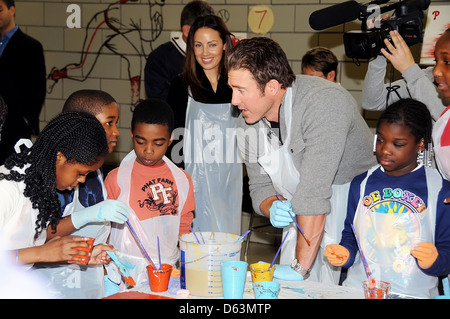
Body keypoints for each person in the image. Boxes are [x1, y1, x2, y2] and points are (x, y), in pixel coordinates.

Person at [227, 37, 376, 284]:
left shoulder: (323, 102)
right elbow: (259, 187)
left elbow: (314, 193)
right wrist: (271, 205)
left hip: (350, 206)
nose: (233, 100)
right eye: (232, 89)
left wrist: (299, 269)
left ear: (272, 87)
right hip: (301, 209)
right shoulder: (246, 121)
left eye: (241, 90)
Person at [325, 99, 450, 298]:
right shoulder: (362, 183)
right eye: (381, 140)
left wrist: (436, 260)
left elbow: (447, 248)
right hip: (360, 290)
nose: (385, 150)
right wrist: (345, 254)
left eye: (398, 144)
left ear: (420, 144)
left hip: (414, 294)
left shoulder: (440, 189)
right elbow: (351, 235)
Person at [0, 112, 128, 274]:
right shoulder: (6, 189)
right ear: (59, 156)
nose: (82, 181)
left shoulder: (38, 185)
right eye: (81, 173)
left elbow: (29, 243)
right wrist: (41, 253)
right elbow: (34, 253)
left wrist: (76, 254)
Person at [32, 89, 123, 299]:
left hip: (89, 275)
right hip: (55, 281)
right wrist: (87, 215)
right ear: (83, 126)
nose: (116, 131)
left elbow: (101, 224)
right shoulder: (59, 176)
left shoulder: (95, 168)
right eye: (109, 123)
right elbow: (41, 234)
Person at [104, 98, 195, 288]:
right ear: (132, 136)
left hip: (166, 269)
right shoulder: (116, 178)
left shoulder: (182, 180)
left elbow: (184, 223)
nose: (148, 150)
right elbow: (104, 227)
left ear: (170, 140)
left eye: (158, 143)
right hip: (124, 270)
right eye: (140, 141)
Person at [166, 14, 242, 235]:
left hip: (230, 177)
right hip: (193, 178)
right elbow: (174, 137)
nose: (205, 52)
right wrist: (178, 180)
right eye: (198, 45)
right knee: (196, 245)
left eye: (212, 45)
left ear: (225, 45)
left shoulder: (237, 84)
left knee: (227, 239)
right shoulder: (181, 85)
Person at [362, 30, 448, 121]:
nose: (437, 71)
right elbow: (372, 102)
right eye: (436, 60)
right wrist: (381, 50)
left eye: (447, 62)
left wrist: (410, 70)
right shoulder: (427, 76)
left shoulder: (417, 78)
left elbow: (445, 117)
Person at [0, 0, 46, 164]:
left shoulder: (31, 46)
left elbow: (38, 89)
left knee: (14, 173)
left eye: (0, 9)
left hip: (15, 126)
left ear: (12, 10)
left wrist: (26, 120)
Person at [144, 0, 215, 101]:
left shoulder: (216, 54)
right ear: (187, 31)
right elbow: (160, 104)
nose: (209, 36)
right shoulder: (159, 59)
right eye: (204, 31)